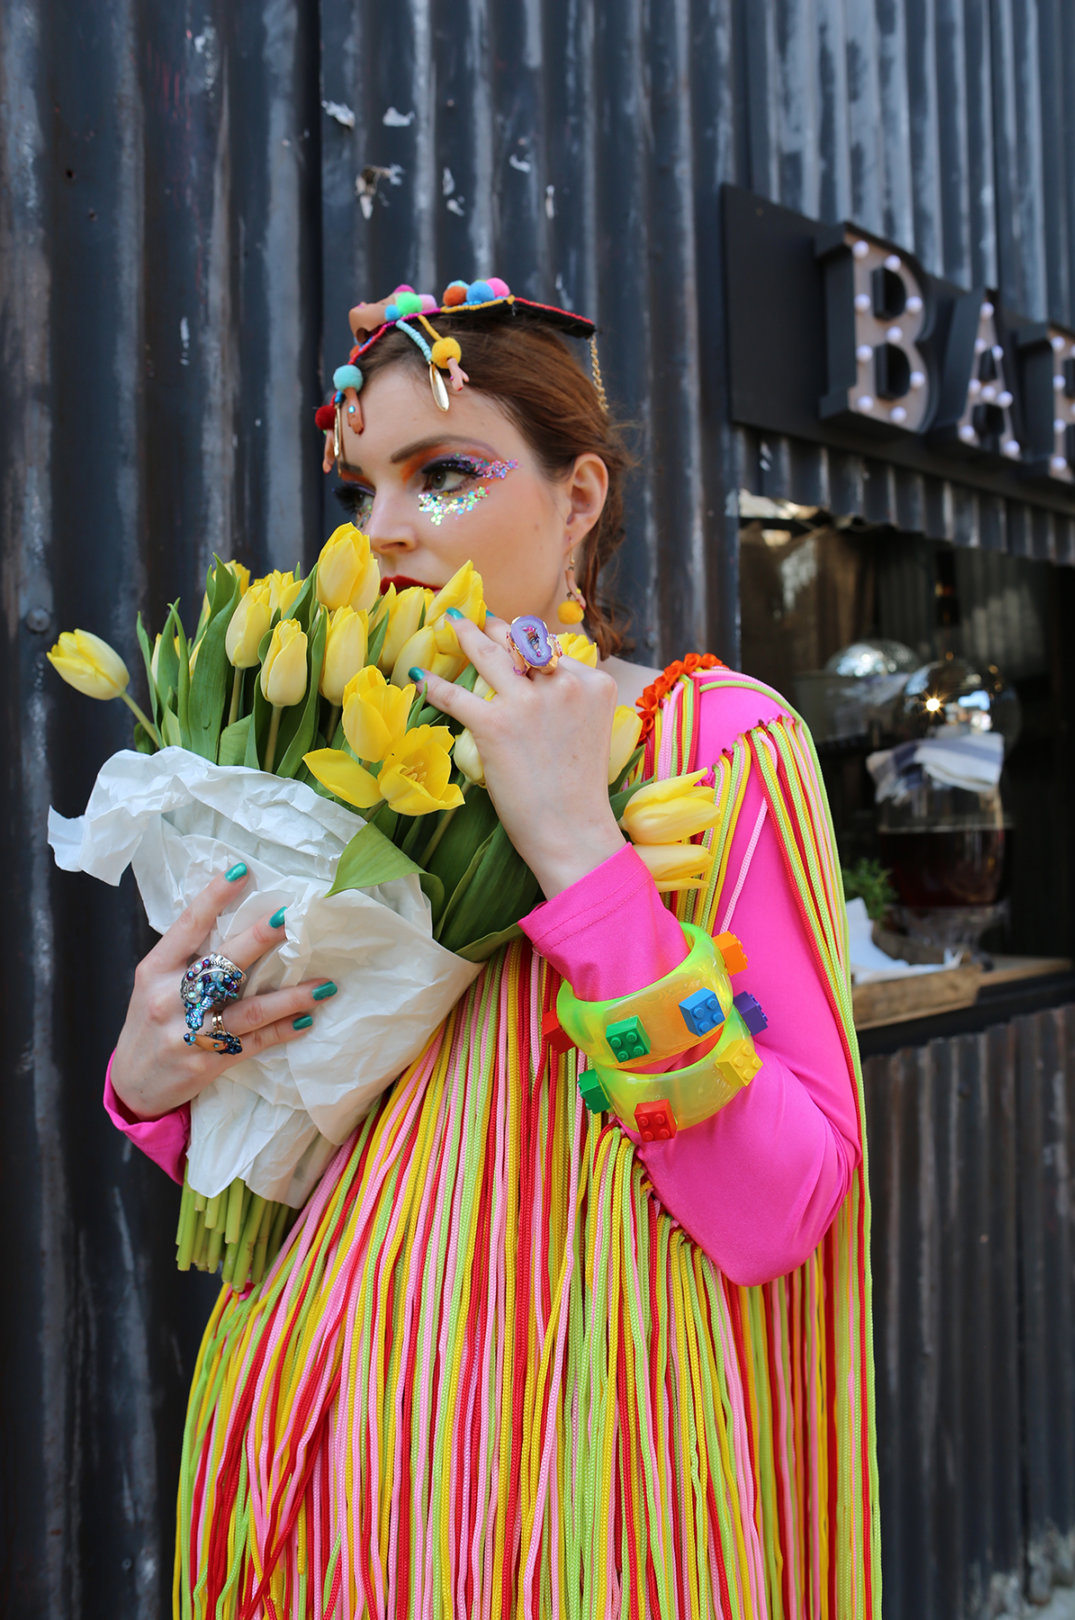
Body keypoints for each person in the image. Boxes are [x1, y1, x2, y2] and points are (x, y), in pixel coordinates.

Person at [106, 282, 879, 1618]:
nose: (385, 531)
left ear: (579, 498)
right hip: (336, 1458)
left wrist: (582, 854)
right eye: (360, 490)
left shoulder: (714, 745)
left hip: (593, 1481)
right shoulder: (343, 743)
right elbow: (291, 1134)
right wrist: (159, 1077)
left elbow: (782, 1211)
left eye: (446, 474)